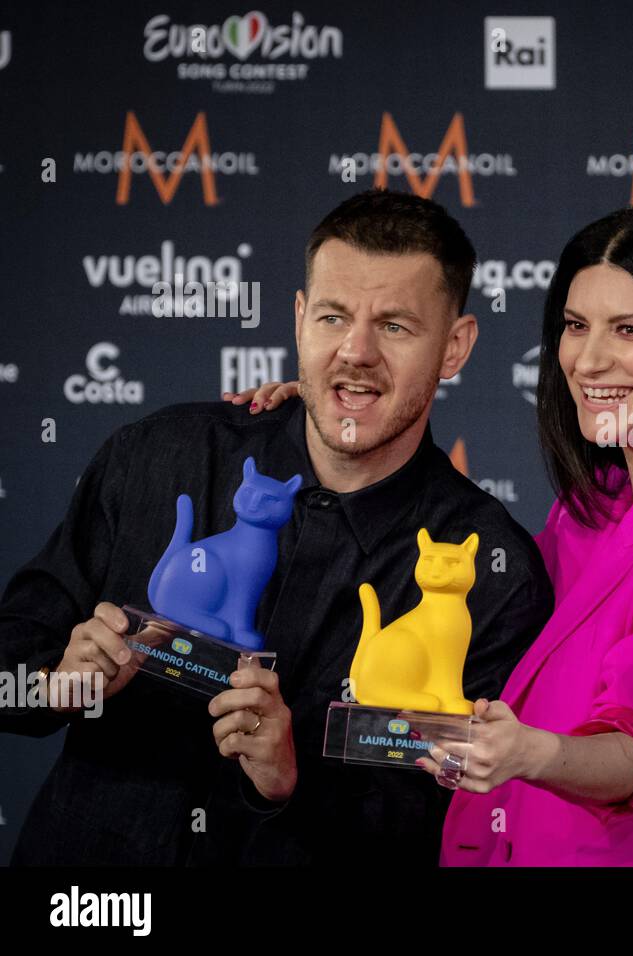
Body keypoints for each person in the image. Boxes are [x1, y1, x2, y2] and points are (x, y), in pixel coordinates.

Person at [234, 205, 633, 865]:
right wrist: (333, 405)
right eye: (575, 326)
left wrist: (528, 753)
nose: (590, 359)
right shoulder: (591, 511)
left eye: (629, 329)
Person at [0, 189, 552, 864]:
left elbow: (453, 814)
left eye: (396, 326)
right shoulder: (159, 456)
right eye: (332, 316)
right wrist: (57, 683)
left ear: (455, 346)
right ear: (298, 320)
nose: (356, 352)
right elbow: (9, 667)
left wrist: (291, 780)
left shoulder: (493, 572)